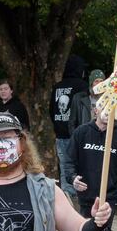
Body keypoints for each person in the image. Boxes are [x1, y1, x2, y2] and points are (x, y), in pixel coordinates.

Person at [50, 57, 85, 199]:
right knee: (81, 165)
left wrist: (58, 124)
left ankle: (67, 198)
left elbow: (51, 110)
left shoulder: (57, 87)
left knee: (65, 167)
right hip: (78, 134)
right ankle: (80, 196)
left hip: (60, 133)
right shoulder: (82, 86)